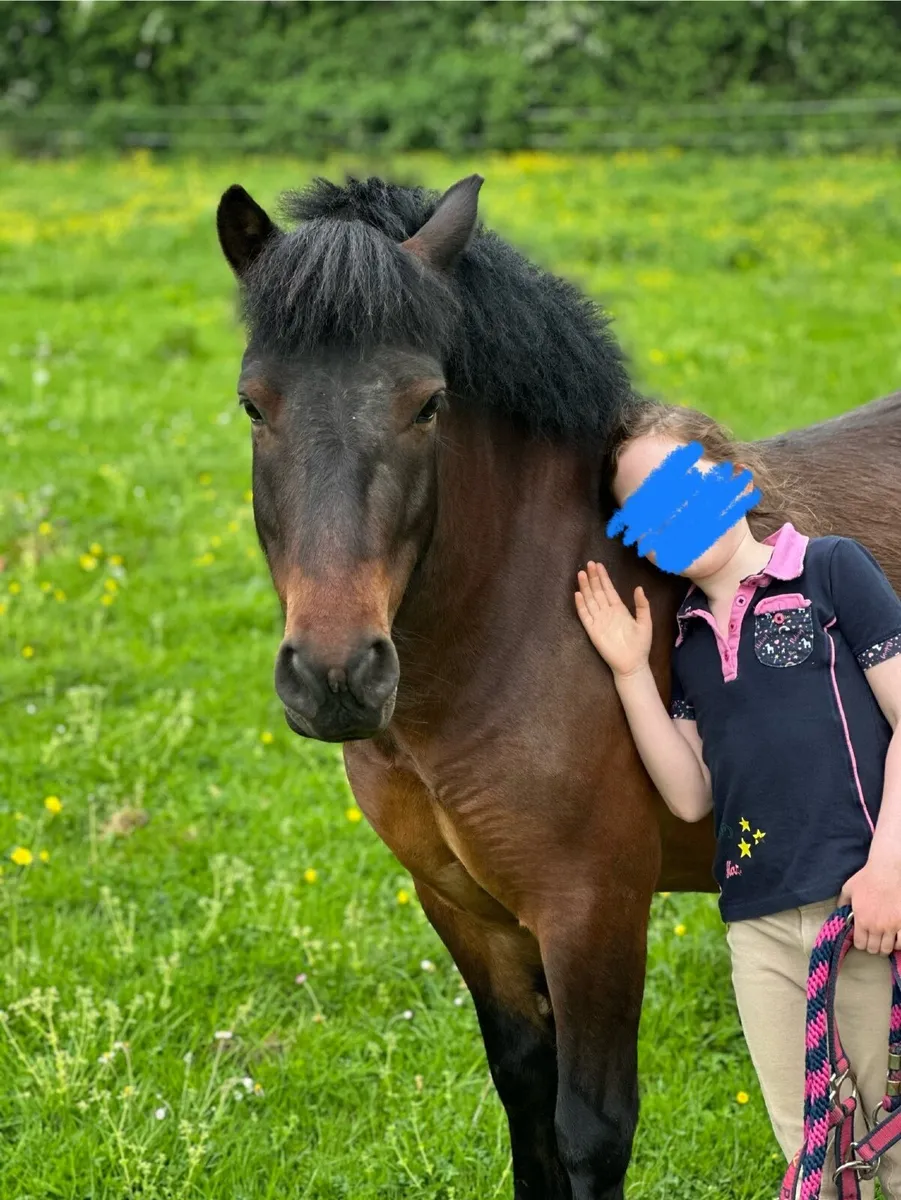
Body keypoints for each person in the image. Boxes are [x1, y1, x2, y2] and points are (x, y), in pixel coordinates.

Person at [575, 399, 901, 1199]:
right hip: (756, 924)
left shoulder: (829, 570)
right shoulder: (683, 644)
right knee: (809, 1149)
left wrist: (888, 866)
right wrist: (627, 673)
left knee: (888, 1136)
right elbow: (689, 797)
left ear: (735, 478)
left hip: (857, 903)